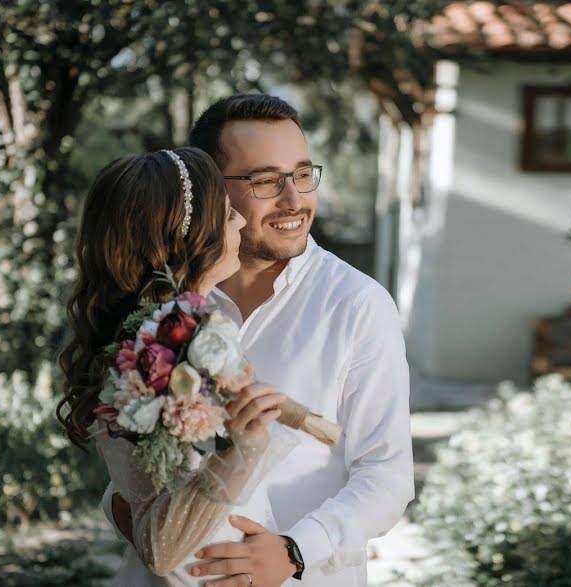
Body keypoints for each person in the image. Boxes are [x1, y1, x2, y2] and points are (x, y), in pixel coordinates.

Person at [106, 94, 415, 587]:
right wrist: (122, 505)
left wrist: (296, 551)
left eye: (303, 174)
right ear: (213, 192)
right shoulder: (161, 309)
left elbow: (387, 476)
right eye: (267, 180)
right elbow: (140, 456)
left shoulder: (358, 304)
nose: (295, 200)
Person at [58, 147, 299, 586]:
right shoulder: (152, 360)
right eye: (228, 216)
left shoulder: (185, 334)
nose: (242, 222)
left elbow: (149, 488)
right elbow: (162, 547)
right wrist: (241, 448)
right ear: (187, 240)